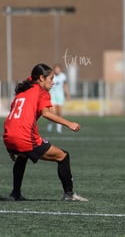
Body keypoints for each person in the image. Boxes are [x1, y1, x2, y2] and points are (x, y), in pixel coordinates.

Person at [3, 63, 88, 202]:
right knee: (63, 156)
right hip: (25, 137)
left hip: (9, 136)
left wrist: (10, 147)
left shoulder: (22, 92)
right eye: (51, 78)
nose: (53, 82)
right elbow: (47, 114)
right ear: (41, 78)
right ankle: (69, 194)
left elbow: (12, 117)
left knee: (22, 156)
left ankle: (15, 193)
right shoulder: (41, 92)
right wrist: (69, 124)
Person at [47, 64, 70, 133]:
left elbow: (65, 86)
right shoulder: (51, 76)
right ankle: (50, 123)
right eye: (56, 69)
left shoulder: (63, 76)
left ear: (60, 69)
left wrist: (67, 95)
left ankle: (59, 128)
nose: (57, 70)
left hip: (60, 97)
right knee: (53, 112)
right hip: (52, 97)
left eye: (58, 69)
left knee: (59, 113)